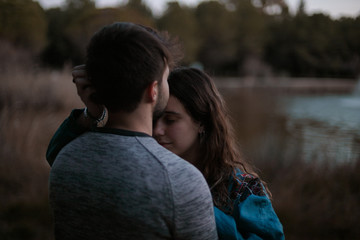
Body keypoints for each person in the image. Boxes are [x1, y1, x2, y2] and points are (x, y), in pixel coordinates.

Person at [47, 66, 284, 239]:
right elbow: (58, 155)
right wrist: (93, 114)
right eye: (154, 118)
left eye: (170, 120)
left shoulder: (241, 188)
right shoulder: (141, 165)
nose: (157, 130)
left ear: (202, 122)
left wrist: (191, 203)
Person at [48, 22, 218, 240]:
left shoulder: (66, 160)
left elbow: (55, 151)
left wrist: (94, 112)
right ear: (153, 90)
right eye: (165, 78)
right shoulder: (180, 180)